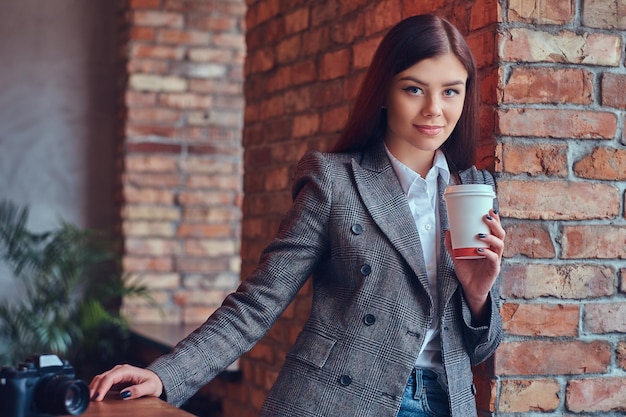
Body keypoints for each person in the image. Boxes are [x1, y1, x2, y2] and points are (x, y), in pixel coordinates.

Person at [89, 14, 505, 417]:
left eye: (451, 91)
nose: (435, 108)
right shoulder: (335, 181)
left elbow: (481, 350)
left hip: (447, 404)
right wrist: (164, 375)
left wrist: (478, 295)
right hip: (339, 403)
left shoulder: (474, 189)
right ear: (383, 92)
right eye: (414, 89)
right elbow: (258, 302)